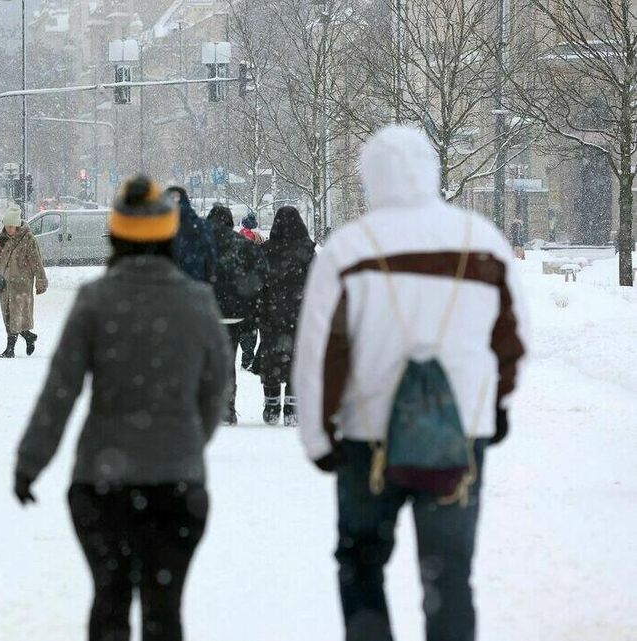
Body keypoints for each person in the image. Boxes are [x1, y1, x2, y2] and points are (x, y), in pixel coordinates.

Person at [292, 125, 529, 641]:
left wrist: (318, 436)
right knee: (449, 573)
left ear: (369, 177)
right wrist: (498, 405)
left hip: (365, 439)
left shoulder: (348, 249)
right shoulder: (482, 241)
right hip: (457, 437)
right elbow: (512, 339)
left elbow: (318, 353)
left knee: (360, 565)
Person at [14, 175, 230, 641]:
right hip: (179, 487)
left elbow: (61, 391)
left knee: (110, 599)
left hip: (102, 484)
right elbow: (216, 392)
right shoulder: (197, 303)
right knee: (163, 608)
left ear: (116, 236)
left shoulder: (96, 301)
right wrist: (187, 440)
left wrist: (30, 463)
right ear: (169, 236)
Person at [251, 205, 315, 426]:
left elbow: (257, 282)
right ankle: (292, 406)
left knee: (271, 354)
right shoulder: (307, 250)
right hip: (300, 312)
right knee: (297, 356)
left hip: (272, 312)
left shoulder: (266, 250)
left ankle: (271, 404)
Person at [206, 203, 267, 425]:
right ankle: (227, 407)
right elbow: (258, 278)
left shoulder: (201, 244)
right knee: (228, 359)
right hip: (234, 313)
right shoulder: (243, 245)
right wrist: (252, 309)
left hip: (206, 312)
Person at [0, 203, 48, 358]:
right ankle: (29, 336)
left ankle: (10, 349)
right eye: (7, 226)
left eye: (12, 226)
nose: (9, 229)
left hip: (21, 285)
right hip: (4, 285)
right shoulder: (1, 241)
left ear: (18, 225)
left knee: (16, 316)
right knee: (8, 317)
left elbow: (37, 262)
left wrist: (41, 281)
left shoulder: (28, 240)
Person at [165, 186, 217, 282]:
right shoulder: (201, 226)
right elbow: (211, 258)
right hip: (195, 284)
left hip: (164, 286)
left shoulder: (158, 227)